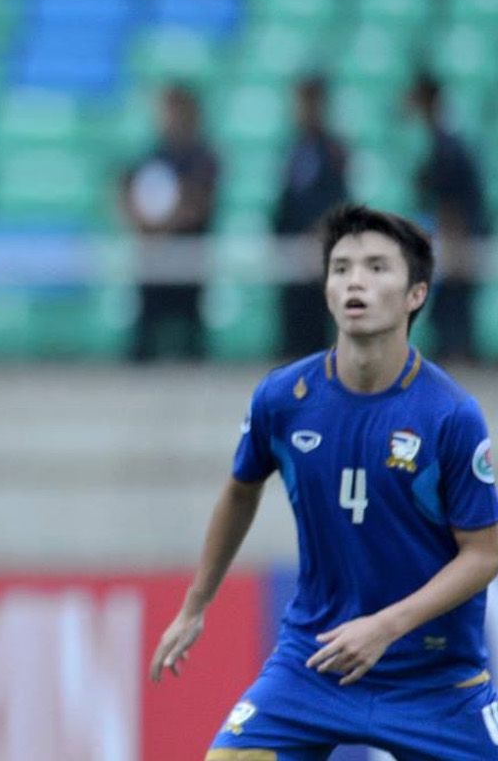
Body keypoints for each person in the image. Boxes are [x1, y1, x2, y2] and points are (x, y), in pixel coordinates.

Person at [150, 204, 498, 758]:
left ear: (416, 294)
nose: (355, 281)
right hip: (313, 665)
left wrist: (384, 627)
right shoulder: (283, 399)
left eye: (377, 267)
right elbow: (240, 490)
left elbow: (484, 554)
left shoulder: (450, 416)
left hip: (434, 681)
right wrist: (195, 606)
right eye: (341, 268)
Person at [121, 84, 219, 362]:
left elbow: (200, 203)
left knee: (190, 333)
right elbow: (128, 191)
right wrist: (140, 222)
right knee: (146, 332)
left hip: (189, 254)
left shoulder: (203, 157)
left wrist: (163, 227)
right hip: (154, 257)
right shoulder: (152, 156)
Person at [411, 73, 488, 363]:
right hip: (450, 235)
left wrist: (454, 239)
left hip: (457, 238)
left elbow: (453, 199)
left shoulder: (447, 145)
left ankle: (459, 360)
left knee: (454, 309)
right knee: (446, 311)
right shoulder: (439, 141)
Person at [274, 76, 351, 359]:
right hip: (292, 256)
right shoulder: (292, 150)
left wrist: (319, 238)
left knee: (318, 341)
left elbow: (338, 202)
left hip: (320, 256)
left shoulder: (333, 151)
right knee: (293, 340)